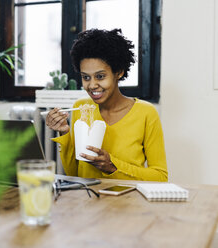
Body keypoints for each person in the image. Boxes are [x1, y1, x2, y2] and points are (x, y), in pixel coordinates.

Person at [46, 29, 167, 181]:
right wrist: (64, 132)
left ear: (119, 72)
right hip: (89, 200)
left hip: (128, 202)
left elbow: (160, 177)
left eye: (100, 76)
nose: (92, 85)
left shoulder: (146, 113)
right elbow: (75, 173)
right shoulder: (81, 108)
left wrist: (113, 166)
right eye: (86, 77)